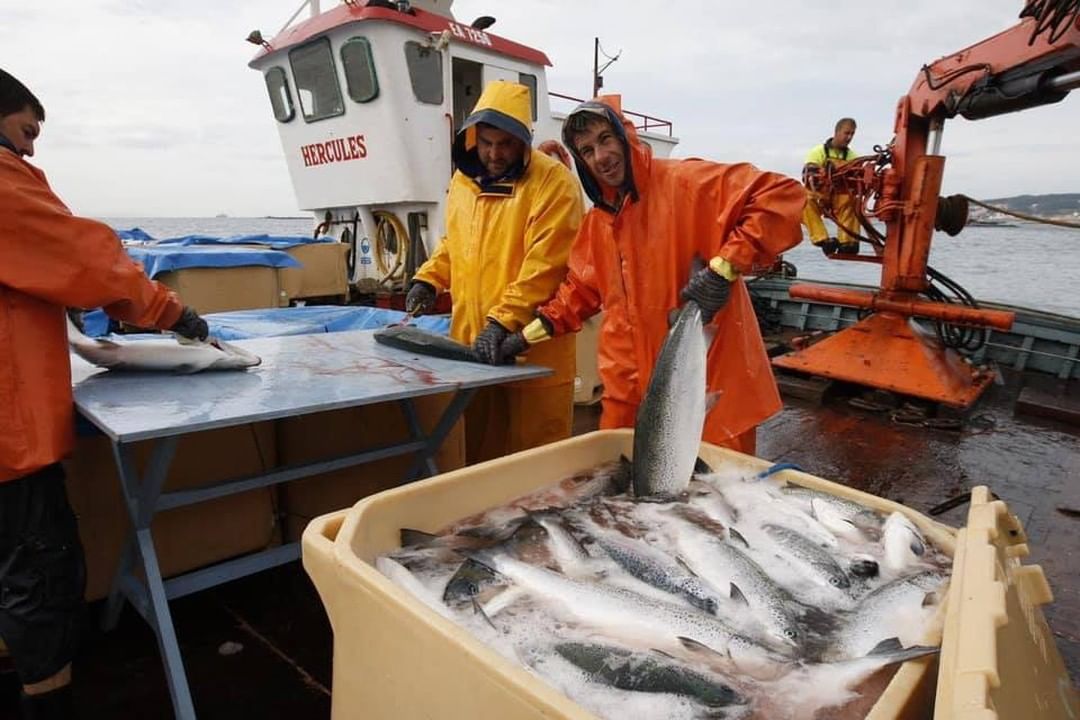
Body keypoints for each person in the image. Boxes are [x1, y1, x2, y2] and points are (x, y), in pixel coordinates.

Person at [0, 68, 208, 719]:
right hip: (8, 432)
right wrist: (172, 313)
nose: (32, 149)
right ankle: (46, 700)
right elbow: (84, 259)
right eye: (26, 130)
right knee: (41, 566)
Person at [495, 96, 805, 455]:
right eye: (587, 149)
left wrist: (724, 270)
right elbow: (579, 291)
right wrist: (525, 336)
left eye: (606, 139)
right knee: (626, 488)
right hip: (627, 393)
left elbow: (781, 195)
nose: (601, 156)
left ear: (626, 137)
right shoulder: (598, 223)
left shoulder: (686, 182)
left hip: (704, 381)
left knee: (717, 496)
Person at [404, 80, 583, 463]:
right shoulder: (464, 181)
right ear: (473, 137)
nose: (494, 153)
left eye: (504, 143)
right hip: (472, 348)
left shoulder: (554, 184)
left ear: (523, 140)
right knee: (476, 456)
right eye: (486, 142)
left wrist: (502, 322)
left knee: (536, 464)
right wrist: (429, 279)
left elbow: (546, 267)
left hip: (532, 351)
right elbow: (455, 243)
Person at [802, 117, 860, 255]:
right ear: (837, 132)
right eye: (847, 133)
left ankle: (848, 242)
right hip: (820, 194)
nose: (849, 137)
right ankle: (822, 239)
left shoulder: (853, 157)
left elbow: (857, 179)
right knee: (805, 200)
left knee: (853, 202)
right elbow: (808, 175)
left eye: (852, 134)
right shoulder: (818, 152)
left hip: (840, 197)